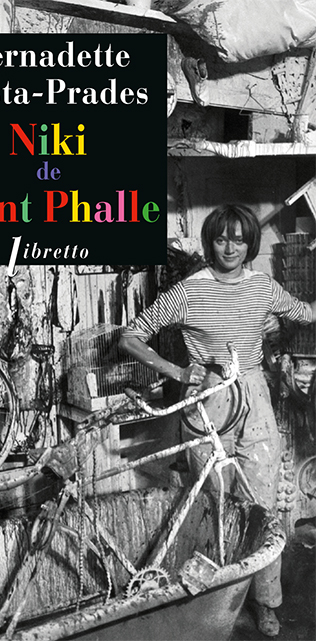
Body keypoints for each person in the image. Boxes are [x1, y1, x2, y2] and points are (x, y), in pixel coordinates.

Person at [119, 203, 316, 637]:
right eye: (222, 239)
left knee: (263, 504)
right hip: (208, 400)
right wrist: (177, 372)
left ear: (250, 244)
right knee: (215, 503)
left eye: (239, 240)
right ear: (210, 242)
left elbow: (305, 312)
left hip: (254, 395)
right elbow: (130, 337)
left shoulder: (262, 287)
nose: (230, 248)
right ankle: (215, 605)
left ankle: (266, 603)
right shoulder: (190, 291)